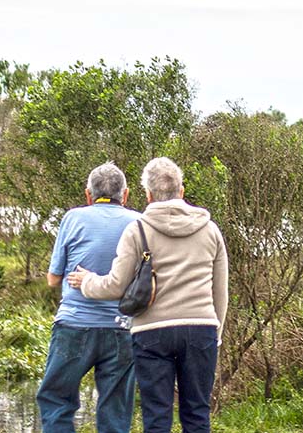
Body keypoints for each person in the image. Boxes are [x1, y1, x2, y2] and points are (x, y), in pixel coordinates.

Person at [67, 157, 228, 433]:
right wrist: (216, 333)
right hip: (201, 329)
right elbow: (220, 291)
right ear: (182, 190)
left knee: (156, 417)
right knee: (198, 415)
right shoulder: (210, 229)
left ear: (148, 194)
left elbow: (116, 286)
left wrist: (86, 281)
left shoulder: (137, 229)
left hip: (152, 333)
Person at [36, 162, 142, 433]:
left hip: (74, 326)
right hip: (122, 328)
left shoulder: (73, 218)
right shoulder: (138, 222)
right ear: (125, 195)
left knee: (56, 399)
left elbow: (53, 279)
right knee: (115, 412)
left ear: (88, 195)